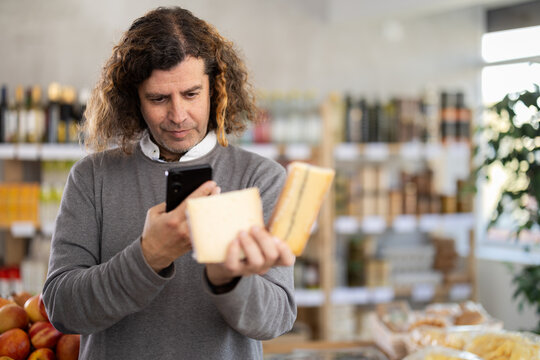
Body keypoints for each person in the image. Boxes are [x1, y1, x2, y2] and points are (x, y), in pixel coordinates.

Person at [42, 6, 297, 360]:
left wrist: (227, 278)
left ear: (216, 89)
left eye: (191, 94)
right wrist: (148, 256)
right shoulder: (92, 177)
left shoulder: (260, 178)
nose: (178, 116)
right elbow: (62, 308)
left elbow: (277, 319)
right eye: (159, 98)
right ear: (134, 99)